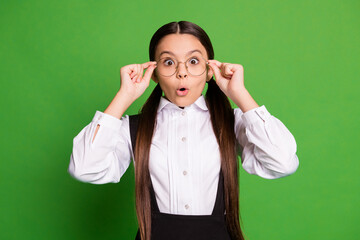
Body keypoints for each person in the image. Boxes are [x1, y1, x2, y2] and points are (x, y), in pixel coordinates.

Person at [68, 21, 299, 240]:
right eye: (169, 62)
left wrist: (240, 94)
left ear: (210, 70)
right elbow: (84, 168)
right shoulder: (132, 128)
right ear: (155, 74)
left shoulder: (232, 123)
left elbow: (282, 163)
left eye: (193, 61)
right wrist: (124, 96)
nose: (182, 72)